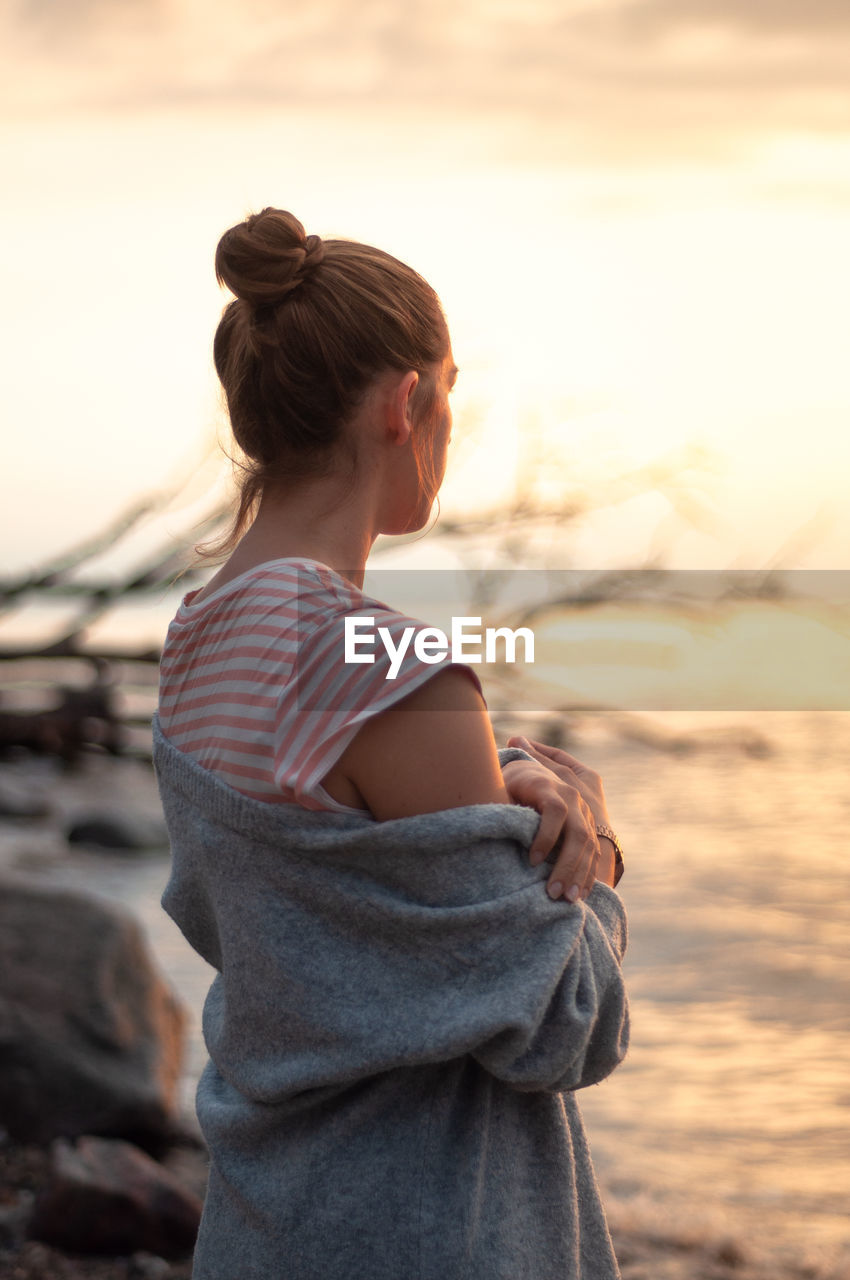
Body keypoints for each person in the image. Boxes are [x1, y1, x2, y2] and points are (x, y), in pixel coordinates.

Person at [154, 207, 629, 1279]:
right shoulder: (393, 667)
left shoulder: (197, 639)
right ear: (406, 403)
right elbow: (564, 1021)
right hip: (425, 1221)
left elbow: (322, 873)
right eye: (450, 391)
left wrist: (497, 781)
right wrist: (588, 842)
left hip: (269, 1213)